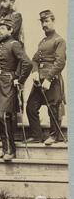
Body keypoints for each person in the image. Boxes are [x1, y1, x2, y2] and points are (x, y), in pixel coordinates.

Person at [0, 18, 32, 161]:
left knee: (4, 116)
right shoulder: (1, 44)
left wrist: (19, 80)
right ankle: (5, 149)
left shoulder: (14, 44)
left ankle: (10, 150)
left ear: (10, 30)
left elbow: (27, 63)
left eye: (3, 28)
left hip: (8, 83)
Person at [26, 10, 66, 145]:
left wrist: (48, 79)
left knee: (53, 108)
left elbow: (60, 62)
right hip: (39, 80)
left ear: (53, 21)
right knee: (31, 106)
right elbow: (35, 59)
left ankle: (54, 136)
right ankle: (36, 136)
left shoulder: (59, 40)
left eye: (47, 21)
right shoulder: (42, 41)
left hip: (52, 80)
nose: (44, 24)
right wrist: (35, 72)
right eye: (42, 22)